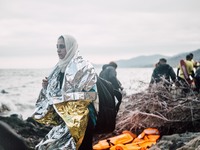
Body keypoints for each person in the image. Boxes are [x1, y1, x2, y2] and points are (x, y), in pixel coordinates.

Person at [32, 35, 98, 150]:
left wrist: (66, 97)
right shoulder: (58, 68)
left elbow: (92, 95)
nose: (58, 50)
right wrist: (46, 88)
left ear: (70, 47)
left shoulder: (84, 67)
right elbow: (55, 95)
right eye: (57, 46)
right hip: (65, 119)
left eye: (62, 46)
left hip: (84, 119)